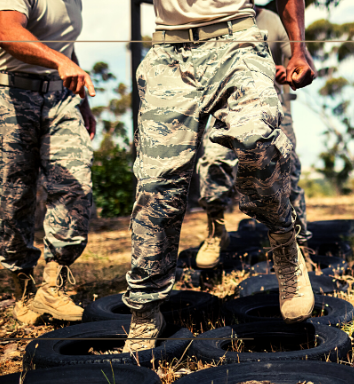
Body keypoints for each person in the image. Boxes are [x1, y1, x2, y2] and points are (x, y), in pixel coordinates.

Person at [122, 0, 317, 353]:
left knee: (257, 140)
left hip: (237, 40)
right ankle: (146, 309)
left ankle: (285, 242)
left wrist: (298, 50)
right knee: (156, 187)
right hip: (169, 52)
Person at [0, 0, 96, 325]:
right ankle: (24, 289)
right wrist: (60, 61)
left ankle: (53, 286)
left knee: (75, 187)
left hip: (60, 98)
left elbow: (64, 49)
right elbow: (9, 32)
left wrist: (82, 101)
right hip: (9, 95)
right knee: (13, 202)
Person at [192, 3, 312, 269]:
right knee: (212, 164)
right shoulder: (213, 16)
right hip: (223, 105)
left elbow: (303, 63)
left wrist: (286, 70)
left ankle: (298, 244)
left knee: (286, 172)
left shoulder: (276, 20)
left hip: (270, 107)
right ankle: (216, 232)